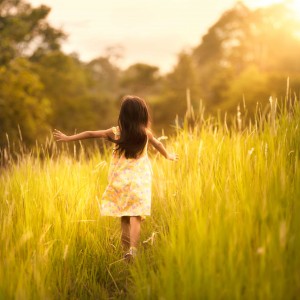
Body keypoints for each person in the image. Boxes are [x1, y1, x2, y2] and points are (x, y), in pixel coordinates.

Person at [53, 95, 178, 261]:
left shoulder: (116, 132)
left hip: (119, 179)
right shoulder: (145, 133)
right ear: (142, 114)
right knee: (136, 215)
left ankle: (125, 253)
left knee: (124, 216)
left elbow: (90, 133)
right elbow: (159, 144)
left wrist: (69, 138)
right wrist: (168, 156)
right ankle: (133, 250)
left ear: (123, 115)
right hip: (139, 179)